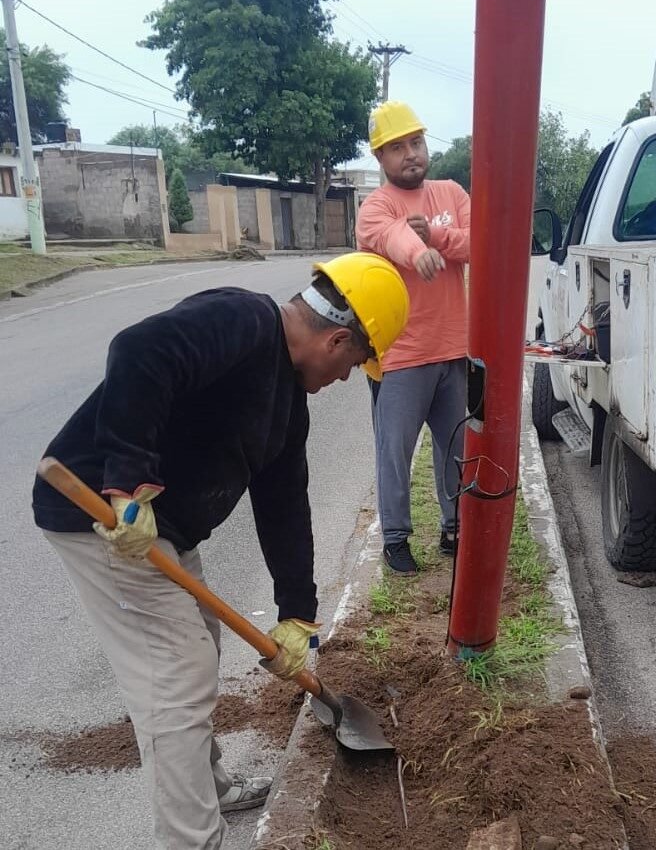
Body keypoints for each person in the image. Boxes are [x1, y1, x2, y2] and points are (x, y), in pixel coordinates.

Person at [32, 252, 409, 850]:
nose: (346, 377)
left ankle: (206, 785)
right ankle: (192, 838)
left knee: (198, 644)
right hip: (104, 518)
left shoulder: (289, 402)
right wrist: (127, 482)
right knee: (177, 675)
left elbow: (285, 504)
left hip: (166, 529)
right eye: (356, 362)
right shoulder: (242, 321)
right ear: (338, 339)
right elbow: (139, 352)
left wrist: (295, 613)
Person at [356, 100, 471, 575]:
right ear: (380, 158)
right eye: (397, 147)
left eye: (417, 142)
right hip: (400, 355)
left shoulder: (450, 192)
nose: (411, 154)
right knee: (394, 453)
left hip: (454, 348)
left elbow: (478, 240)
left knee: (456, 447)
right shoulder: (375, 205)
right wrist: (414, 247)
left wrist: (439, 241)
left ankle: (455, 527)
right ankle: (397, 538)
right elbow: (386, 236)